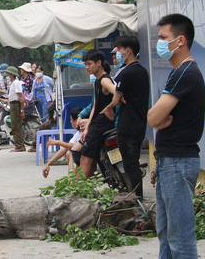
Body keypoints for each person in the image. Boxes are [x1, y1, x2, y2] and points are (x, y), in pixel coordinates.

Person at [147, 14, 205, 259]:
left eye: (163, 38)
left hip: (177, 163)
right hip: (169, 161)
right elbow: (157, 119)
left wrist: (160, 118)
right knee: (166, 236)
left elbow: (152, 118)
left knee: (180, 240)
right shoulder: (180, 72)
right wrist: (160, 118)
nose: (159, 43)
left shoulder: (184, 72)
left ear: (180, 40)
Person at [101, 35, 149, 199]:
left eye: (119, 50)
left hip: (127, 125)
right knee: (133, 161)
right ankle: (137, 195)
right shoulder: (143, 71)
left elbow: (116, 99)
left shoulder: (127, 73)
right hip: (140, 124)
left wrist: (111, 105)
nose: (118, 53)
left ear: (128, 51)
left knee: (130, 165)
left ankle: (137, 198)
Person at [79, 49, 116, 178]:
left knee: (85, 159)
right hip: (96, 124)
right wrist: (87, 127)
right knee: (91, 159)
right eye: (85, 64)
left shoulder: (105, 80)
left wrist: (110, 107)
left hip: (102, 125)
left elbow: (117, 92)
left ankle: (77, 190)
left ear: (99, 63)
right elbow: (94, 107)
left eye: (89, 64)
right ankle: (87, 188)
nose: (87, 67)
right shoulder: (97, 81)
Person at [42, 107, 84, 178]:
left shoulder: (86, 132)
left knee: (70, 153)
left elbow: (73, 146)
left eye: (71, 120)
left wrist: (58, 142)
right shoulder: (78, 133)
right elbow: (65, 148)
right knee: (68, 152)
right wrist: (49, 164)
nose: (70, 122)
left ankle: (72, 180)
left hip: (87, 157)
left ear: (77, 121)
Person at [5, 66, 26, 152]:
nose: (6, 75)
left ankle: (19, 145)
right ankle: (20, 145)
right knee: (15, 125)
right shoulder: (13, 83)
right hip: (13, 104)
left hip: (15, 105)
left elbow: (21, 97)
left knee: (16, 125)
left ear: (11, 75)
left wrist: (21, 110)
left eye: (7, 73)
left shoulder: (16, 83)